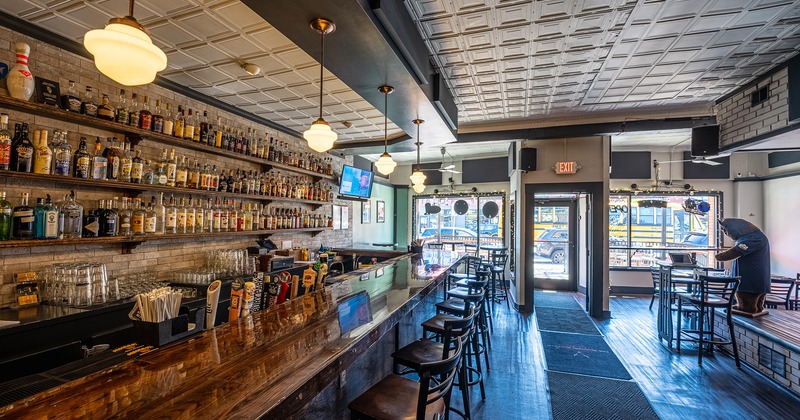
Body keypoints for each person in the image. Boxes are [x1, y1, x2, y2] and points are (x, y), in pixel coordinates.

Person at [715, 218, 771, 314]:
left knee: (748, 306)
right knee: (755, 306)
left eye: (726, 231)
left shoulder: (754, 238)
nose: (726, 234)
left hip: (750, 281)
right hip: (755, 280)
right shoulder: (753, 236)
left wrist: (719, 257)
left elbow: (737, 251)